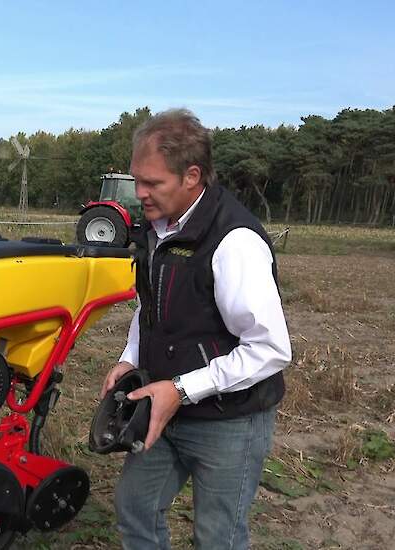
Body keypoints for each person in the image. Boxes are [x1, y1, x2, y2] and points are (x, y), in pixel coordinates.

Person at [99, 108, 291, 550]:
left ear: (191, 176)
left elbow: (271, 349)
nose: (140, 194)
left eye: (152, 183)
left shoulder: (234, 242)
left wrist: (182, 389)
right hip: (162, 404)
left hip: (230, 420)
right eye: (137, 180)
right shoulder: (156, 228)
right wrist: (130, 356)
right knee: (136, 510)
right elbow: (153, 307)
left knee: (217, 537)